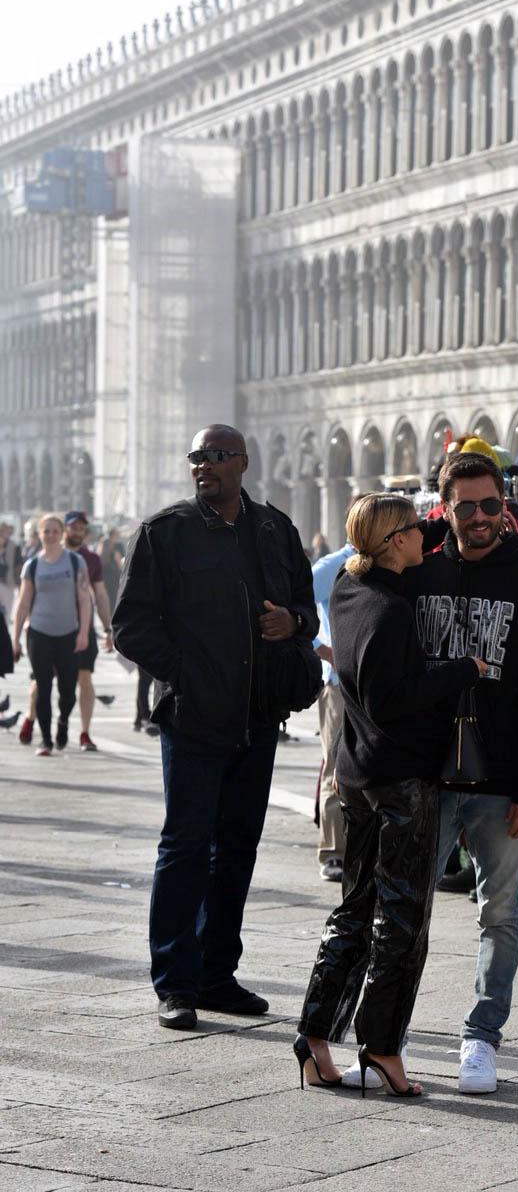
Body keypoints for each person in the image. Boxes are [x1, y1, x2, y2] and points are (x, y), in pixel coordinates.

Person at [112, 424, 320, 1031]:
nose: (204, 465)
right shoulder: (165, 532)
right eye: (197, 456)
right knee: (184, 848)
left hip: (258, 717)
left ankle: (216, 973)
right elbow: (130, 626)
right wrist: (187, 674)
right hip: (195, 717)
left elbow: (307, 609)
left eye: (216, 456)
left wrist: (294, 623)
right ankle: (174, 982)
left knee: (237, 849)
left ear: (243, 464)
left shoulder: (274, 529)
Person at [295, 494, 486, 1098]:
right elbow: (392, 699)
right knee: (403, 918)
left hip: (357, 773)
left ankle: (315, 1037)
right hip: (401, 777)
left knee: (354, 906)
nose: (424, 538)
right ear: (393, 542)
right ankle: (381, 1049)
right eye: (413, 531)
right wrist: (463, 670)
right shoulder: (389, 607)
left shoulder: (347, 592)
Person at [407, 452, 518, 1093]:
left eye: (490, 505)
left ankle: (481, 1036)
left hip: (500, 780)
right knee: (405, 905)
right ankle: (389, 1029)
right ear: (445, 507)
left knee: (499, 913)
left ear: (505, 506)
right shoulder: (417, 572)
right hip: (426, 775)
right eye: (466, 506)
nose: (478, 518)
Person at [11, 513, 92, 756]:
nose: (51, 535)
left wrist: (84, 633)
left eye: (55, 531)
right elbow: (23, 604)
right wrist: (15, 639)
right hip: (39, 634)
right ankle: (46, 740)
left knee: (68, 690)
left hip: (69, 634)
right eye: (46, 531)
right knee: (43, 688)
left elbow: (84, 600)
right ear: (39, 534)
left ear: (62, 534)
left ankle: (63, 721)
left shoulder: (76, 562)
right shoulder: (32, 565)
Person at [311, 532, 356, 882]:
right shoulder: (332, 566)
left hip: (374, 684)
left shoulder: (390, 560)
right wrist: (323, 650)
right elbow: (294, 603)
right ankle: (333, 851)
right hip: (339, 687)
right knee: (336, 767)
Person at [63, 512, 115, 751]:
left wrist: (107, 628)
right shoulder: (47, 555)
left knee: (85, 678)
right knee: (42, 683)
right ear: (65, 528)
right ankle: (35, 721)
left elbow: (101, 595)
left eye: (81, 528)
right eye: (73, 527)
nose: (77, 531)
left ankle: (84, 733)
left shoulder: (91, 559)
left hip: (82, 629)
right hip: (48, 631)